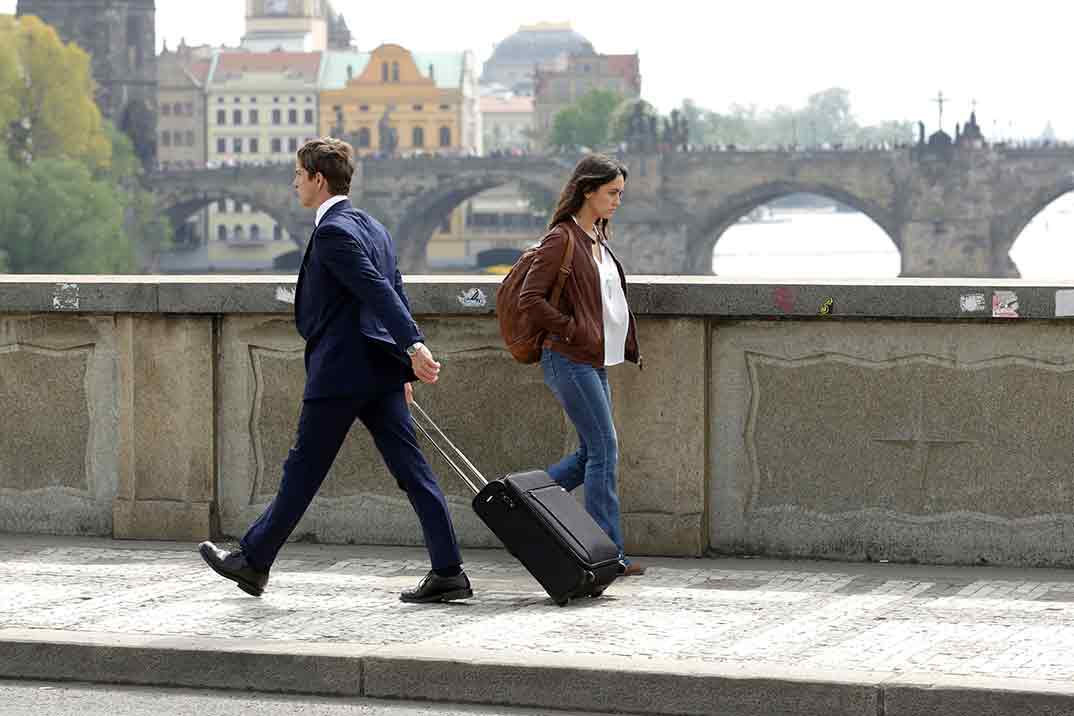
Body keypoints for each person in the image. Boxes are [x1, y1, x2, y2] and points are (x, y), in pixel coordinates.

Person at [199, 137, 471, 604]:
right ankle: (448, 570)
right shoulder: (374, 227)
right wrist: (403, 365)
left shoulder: (333, 232)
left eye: (298, 175)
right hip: (377, 370)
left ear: (318, 179)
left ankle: (254, 560)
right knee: (413, 471)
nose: (293, 183)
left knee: (302, 471)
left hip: (342, 371)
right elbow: (394, 290)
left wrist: (414, 347)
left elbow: (376, 291)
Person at [518, 153, 646, 576]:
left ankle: (526, 502)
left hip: (594, 359)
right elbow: (530, 300)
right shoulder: (563, 238)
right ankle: (609, 554)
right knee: (604, 450)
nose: (617, 201)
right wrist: (571, 329)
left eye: (621, 194)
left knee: (594, 451)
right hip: (568, 358)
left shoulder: (597, 238)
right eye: (611, 193)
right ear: (587, 191)